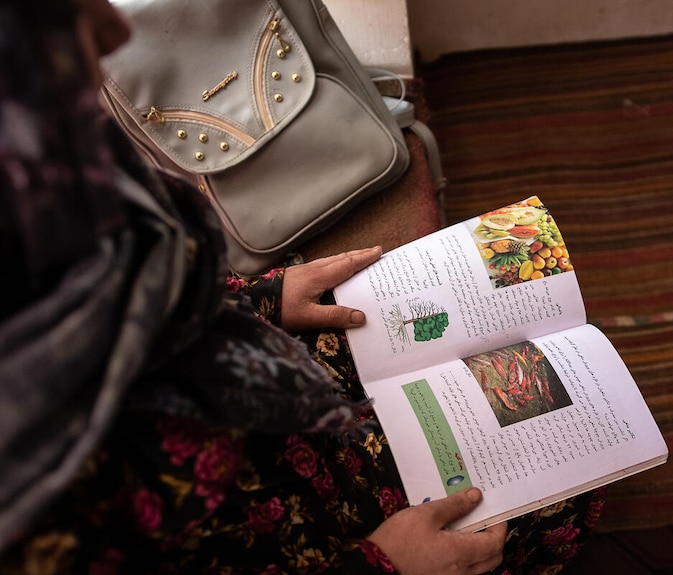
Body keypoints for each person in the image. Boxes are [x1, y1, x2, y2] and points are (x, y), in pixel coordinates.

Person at [0, 0, 604, 573]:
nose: (116, 35)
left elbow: (158, 291)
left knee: (514, 327)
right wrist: (383, 566)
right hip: (288, 540)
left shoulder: (49, 180)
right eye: (63, 26)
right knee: (564, 488)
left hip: (263, 389)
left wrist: (259, 300)